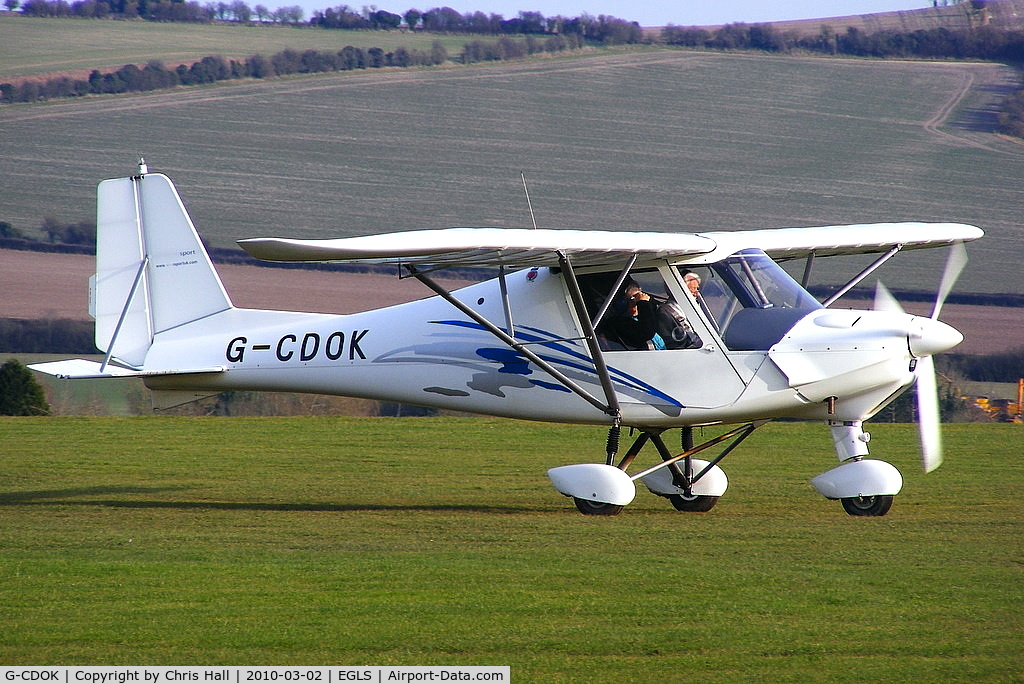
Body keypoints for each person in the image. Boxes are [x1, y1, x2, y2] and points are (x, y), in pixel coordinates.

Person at [599, 281, 666, 350]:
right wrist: (643, 303)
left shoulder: (650, 316)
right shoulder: (616, 323)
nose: (636, 303)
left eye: (638, 297)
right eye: (632, 299)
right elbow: (646, 333)